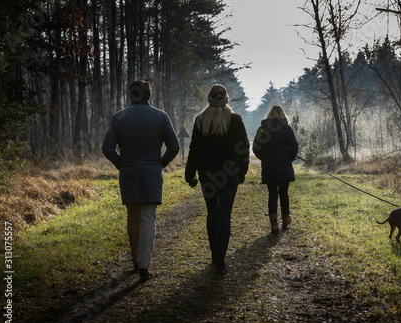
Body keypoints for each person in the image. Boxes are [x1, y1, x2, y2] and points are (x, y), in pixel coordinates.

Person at [102, 80, 180, 282]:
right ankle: (144, 265)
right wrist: (159, 164)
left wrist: (122, 164)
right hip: (151, 173)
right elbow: (174, 147)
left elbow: (107, 148)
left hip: (129, 172)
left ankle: (136, 260)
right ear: (149, 95)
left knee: (133, 216)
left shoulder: (119, 118)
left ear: (131, 96)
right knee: (148, 218)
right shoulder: (161, 117)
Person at [185, 84, 249, 275]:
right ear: (226, 98)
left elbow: (194, 150)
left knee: (212, 214)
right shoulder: (235, 120)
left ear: (209, 99)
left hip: (207, 175)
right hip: (229, 175)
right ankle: (221, 260)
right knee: (224, 215)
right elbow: (243, 147)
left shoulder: (200, 120)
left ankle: (214, 257)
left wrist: (190, 174)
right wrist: (242, 171)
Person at [253, 105, 298, 234]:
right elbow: (294, 147)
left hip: (269, 166)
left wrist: (264, 158)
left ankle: (274, 225)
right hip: (284, 165)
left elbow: (256, 148)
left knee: (272, 194)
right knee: (284, 193)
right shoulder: (287, 129)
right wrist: (289, 158)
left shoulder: (262, 130)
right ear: (282, 115)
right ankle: (285, 220)